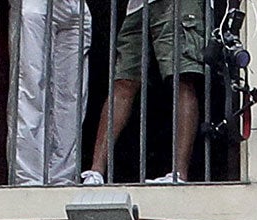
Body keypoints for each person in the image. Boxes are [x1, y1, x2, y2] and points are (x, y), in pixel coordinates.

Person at [83, 0, 213, 185]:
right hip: (137, 6)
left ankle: (178, 174)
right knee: (123, 80)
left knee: (181, 76)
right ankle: (95, 172)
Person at [10, 0, 94, 185]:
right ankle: (28, 179)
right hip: (36, 4)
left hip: (76, 7)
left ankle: (62, 178)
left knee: (72, 96)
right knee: (30, 87)